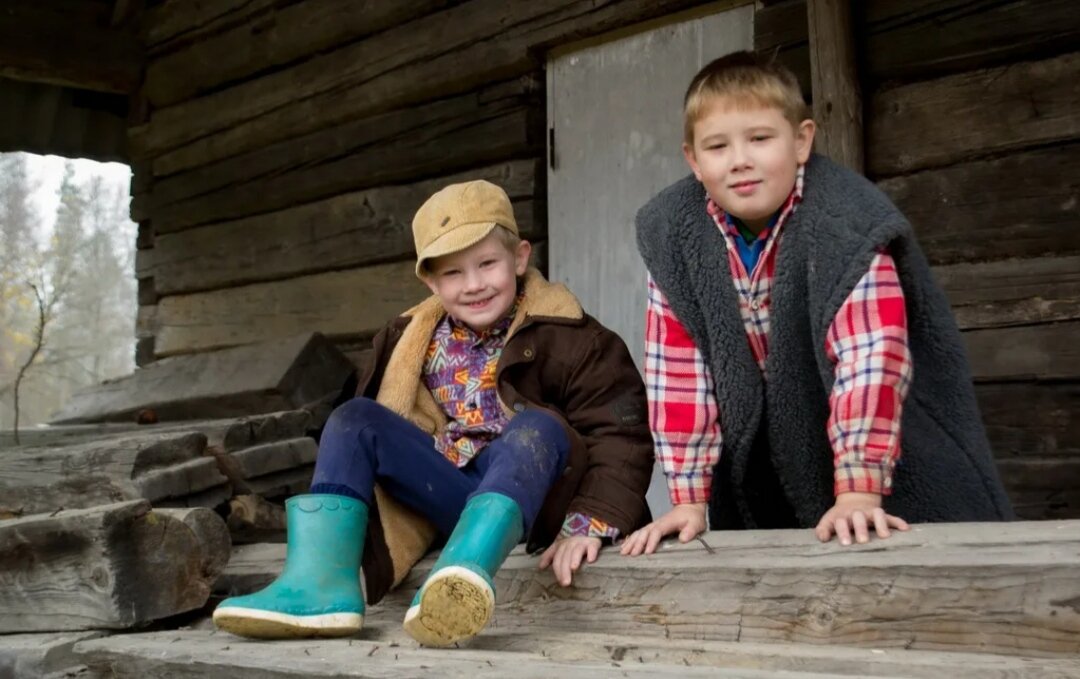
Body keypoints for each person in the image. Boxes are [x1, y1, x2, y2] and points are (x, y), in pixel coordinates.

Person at [213, 179, 654, 646]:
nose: (474, 284)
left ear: (520, 258)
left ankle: (462, 576)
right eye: (454, 274)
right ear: (429, 281)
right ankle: (321, 585)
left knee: (535, 427)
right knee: (354, 418)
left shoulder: (574, 337)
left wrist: (587, 523)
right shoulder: (411, 338)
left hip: (541, 504)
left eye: (488, 263)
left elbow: (619, 436)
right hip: (456, 495)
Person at [623, 50, 1012, 558]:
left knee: (902, 559)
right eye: (717, 146)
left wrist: (858, 487)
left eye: (760, 139)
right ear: (694, 161)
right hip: (768, 452)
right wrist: (689, 500)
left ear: (802, 140)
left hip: (883, 448)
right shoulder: (674, 235)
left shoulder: (845, 220)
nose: (740, 160)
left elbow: (870, 358)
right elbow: (678, 376)